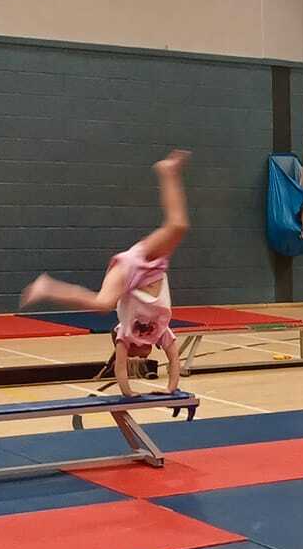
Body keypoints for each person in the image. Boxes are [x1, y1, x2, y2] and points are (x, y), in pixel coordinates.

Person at [22, 150, 189, 397]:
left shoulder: (125, 335)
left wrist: (129, 393)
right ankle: (168, 171)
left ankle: (48, 287)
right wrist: (169, 388)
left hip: (134, 270)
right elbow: (175, 359)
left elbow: (120, 368)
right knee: (178, 226)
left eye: (138, 357)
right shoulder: (161, 334)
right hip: (147, 269)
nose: (145, 356)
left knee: (103, 303)